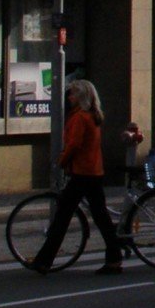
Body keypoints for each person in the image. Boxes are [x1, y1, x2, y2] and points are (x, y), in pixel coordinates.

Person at [32, 78, 124, 275]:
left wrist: (61, 162)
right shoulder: (93, 116)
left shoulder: (80, 118)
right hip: (93, 171)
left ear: (80, 97)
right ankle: (114, 257)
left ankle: (44, 260)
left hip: (82, 173)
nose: (69, 97)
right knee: (100, 216)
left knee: (62, 217)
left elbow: (74, 144)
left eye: (72, 94)